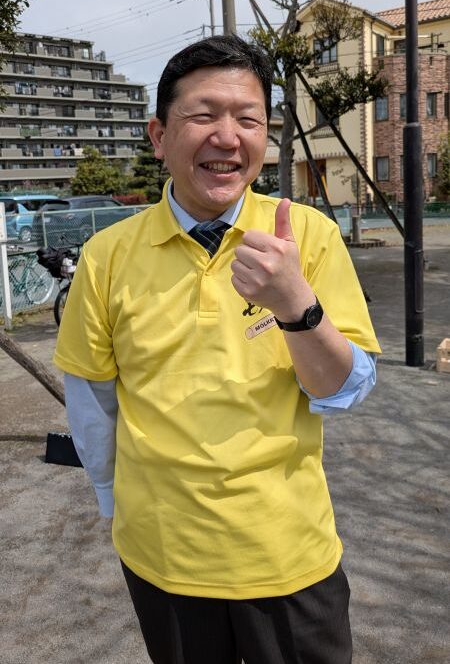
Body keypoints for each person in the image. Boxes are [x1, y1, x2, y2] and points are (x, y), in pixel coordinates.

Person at [54, 35, 381, 664]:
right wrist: (112, 501)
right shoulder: (107, 255)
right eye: (203, 115)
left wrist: (296, 305)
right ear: (159, 136)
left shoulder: (307, 235)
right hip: (162, 553)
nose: (227, 137)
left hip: (287, 551)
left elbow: (345, 391)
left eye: (248, 119)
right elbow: (93, 398)